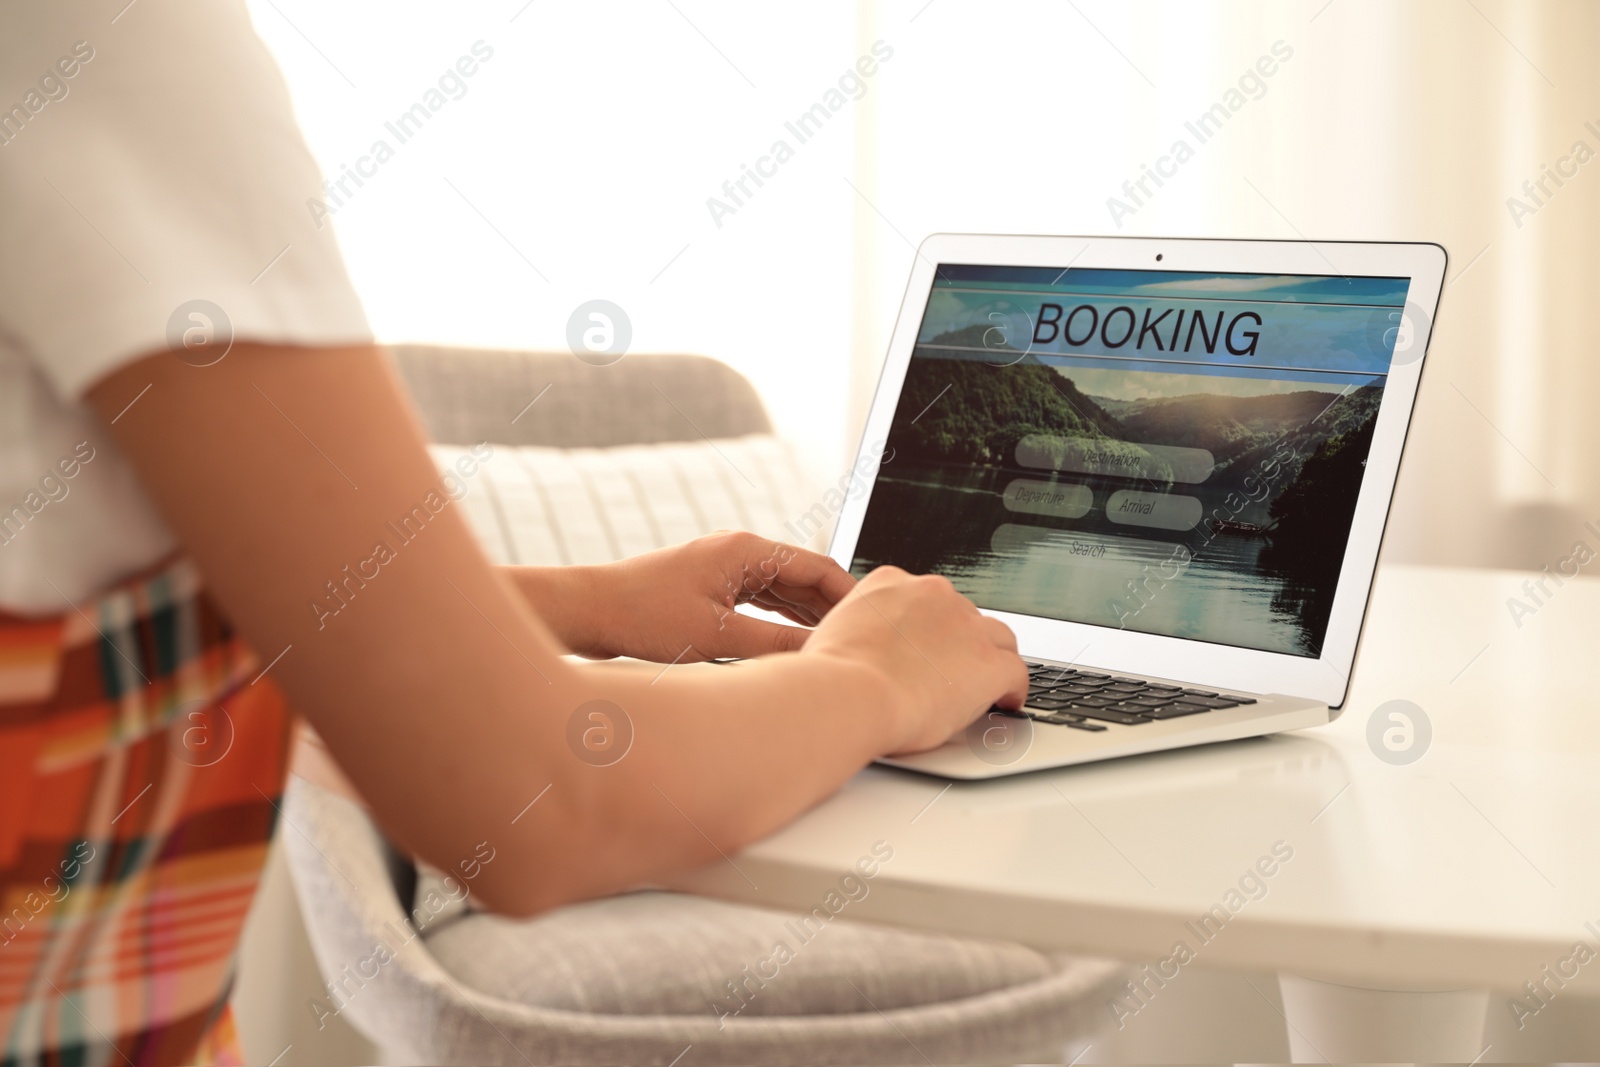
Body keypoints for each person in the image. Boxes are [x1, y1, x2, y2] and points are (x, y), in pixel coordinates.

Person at [0, 2, 1026, 1063]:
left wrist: (581, 602)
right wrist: (874, 678)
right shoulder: (104, 42)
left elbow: (136, 601)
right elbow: (537, 803)